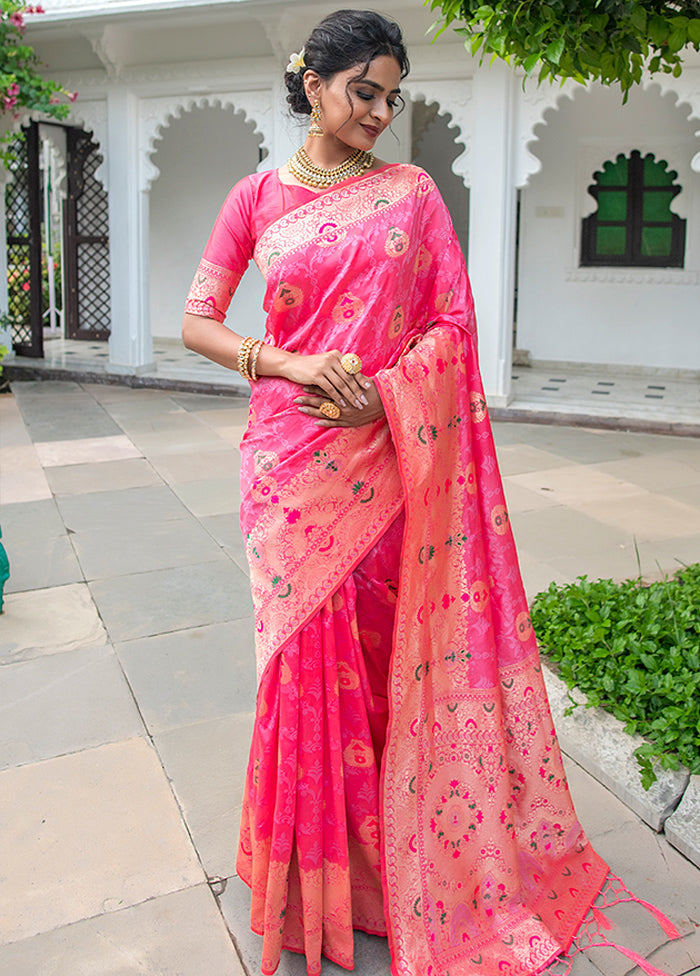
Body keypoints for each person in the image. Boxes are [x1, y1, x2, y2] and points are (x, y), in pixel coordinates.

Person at [182, 11, 678, 976]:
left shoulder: (411, 195)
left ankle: (383, 870)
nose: (379, 111)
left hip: (386, 454)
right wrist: (282, 363)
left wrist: (385, 390)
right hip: (287, 466)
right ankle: (310, 880)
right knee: (301, 675)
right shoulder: (254, 198)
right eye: (363, 90)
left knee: (381, 660)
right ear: (312, 82)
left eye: (391, 95)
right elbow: (200, 320)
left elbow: (452, 320)